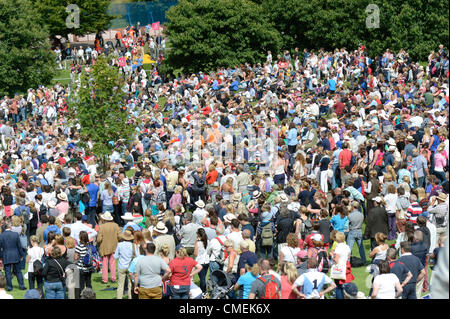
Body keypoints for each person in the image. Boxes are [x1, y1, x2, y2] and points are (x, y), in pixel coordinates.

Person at [0, 218, 26, 291]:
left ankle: (9, 287)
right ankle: (21, 286)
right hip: (15, 255)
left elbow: (0, 248)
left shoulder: (1, 236)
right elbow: (19, 246)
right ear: (10, 227)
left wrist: (1, 257)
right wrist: (21, 255)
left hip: (6, 255)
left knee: (7, 272)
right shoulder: (15, 234)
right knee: (18, 271)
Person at [96, 211, 121, 284]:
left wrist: (98, 243)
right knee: (112, 263)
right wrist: (117, 241)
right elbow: (119, 236)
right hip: (114, 246)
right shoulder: (116, 225)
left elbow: (99, 239)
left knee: (105, 263)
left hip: (104, 247)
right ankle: (113, 278)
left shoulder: (101, 227)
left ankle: (105, 279)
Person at [114, 229, 136, 299]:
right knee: (130, 285)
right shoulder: (133, 245)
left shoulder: (119, 245)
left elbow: (116, 256)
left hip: (121, 266)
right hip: (130, 267)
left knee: (120, 285)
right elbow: (136, 256)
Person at [74, 231, 93, 299]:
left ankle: (82, 297)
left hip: (81, 268)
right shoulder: (89, 246)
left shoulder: (79, 247)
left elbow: (75, 258)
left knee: (81, 284)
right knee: (88, 283)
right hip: (89, 268)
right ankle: (90, 296)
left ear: (80, 238)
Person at [193, 228, 209, 292]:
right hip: (207, 261)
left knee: (202, 279)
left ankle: (203, 292)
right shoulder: (208, 241)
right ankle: (203, 291)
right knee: (203, 277)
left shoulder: (197, 243)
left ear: (198, 234)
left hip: (200, 262)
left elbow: (195, 254)